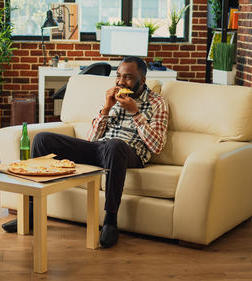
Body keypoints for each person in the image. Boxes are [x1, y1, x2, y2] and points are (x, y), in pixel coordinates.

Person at [32, 56, 169, 248]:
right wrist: (106, 107)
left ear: (143, 80)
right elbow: (92, 139)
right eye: (119, 76)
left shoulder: (157, 103)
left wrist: (135, 113)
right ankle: (31, 211)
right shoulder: (112, 98)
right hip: (101, 149)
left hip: (128, 153)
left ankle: (110, 221)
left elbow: (157, 146)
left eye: (128, 77)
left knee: (115, 145)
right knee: (42, 139)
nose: (121, 82)